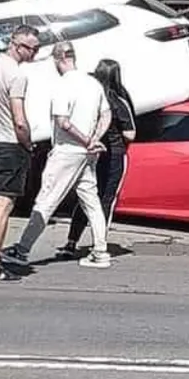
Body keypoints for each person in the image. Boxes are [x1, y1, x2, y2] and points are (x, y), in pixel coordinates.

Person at [1, 41, 114, 269]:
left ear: (58, 59)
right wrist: (94, 140)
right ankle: (101, 251)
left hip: (67, 151)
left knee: (47, 200)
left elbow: (63, 122)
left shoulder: (63, 86)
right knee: (91, 200)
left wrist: (86, 140)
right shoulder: (93, 83)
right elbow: (106, 114)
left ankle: (22, 250)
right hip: (87, 154)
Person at [55, 59, 136, 264]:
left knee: (85, 197)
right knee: (106, 199)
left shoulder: (89, 95)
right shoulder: (117, 99)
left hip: (89, 152)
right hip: (114, 154)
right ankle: (99, 245)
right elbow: (130, 133)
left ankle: (71, 242)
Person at [0, 24, 40, 283]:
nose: (35, 54)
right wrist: (28, 144)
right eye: (32, 48)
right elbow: (19, 120)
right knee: (5, 205)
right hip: (9, 144)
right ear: (16, 44)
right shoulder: (17, 75)